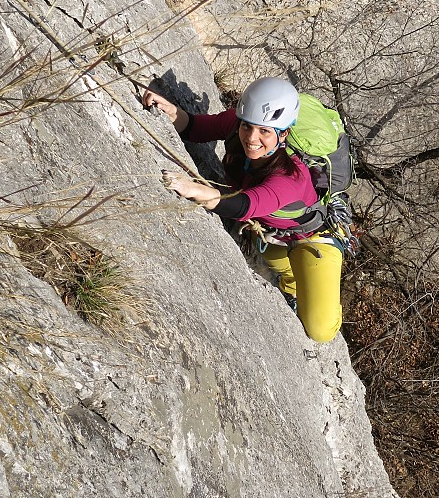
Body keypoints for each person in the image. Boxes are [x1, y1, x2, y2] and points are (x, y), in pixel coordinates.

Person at [143, 77, 342, 343]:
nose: (251, 138)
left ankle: (320, 292)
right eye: (248, 127)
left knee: (320, 329)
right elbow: (196, 127)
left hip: (312, 239)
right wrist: (171, 112)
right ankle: (294, 287)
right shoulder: (237, 124)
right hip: (271, 237)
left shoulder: (291, 177)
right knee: (285, 272)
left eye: (265, 132)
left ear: (284, 133)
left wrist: (203, 193)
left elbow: (247, 204)